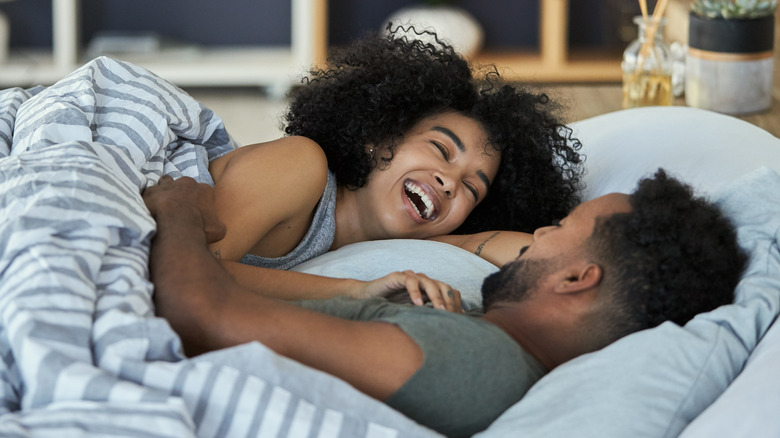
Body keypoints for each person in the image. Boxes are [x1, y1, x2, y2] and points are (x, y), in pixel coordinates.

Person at [145, 169, 747, 437]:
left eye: (560, 226)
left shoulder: (471, 361)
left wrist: (180, 215)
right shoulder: (472, 334)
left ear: (575, 280)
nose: (538, 234)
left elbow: (203, 317)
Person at [205, 27, 583, 308]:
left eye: (472, 188)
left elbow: (501, 250)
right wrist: (358, 292)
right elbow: (193, 266)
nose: (450, 182)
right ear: (379, 136)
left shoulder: (410, 242)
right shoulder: (300, 164)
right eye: (440, 148)